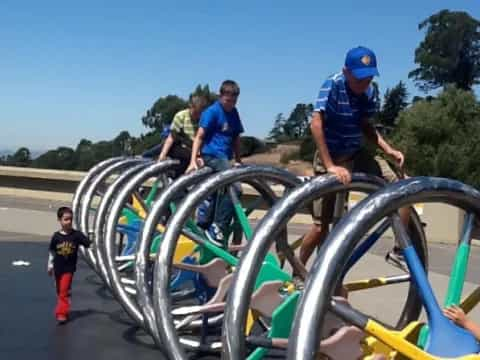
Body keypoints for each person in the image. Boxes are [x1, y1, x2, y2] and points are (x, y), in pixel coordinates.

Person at [299, 46, 409, 272]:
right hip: (330, 156)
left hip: (356, 154)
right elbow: (316, 124)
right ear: (346, 71)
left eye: (368, 78)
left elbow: (366, 127)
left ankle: (399, 251)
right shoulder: (333, 84)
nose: (364, 84)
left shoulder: (369, 92)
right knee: (322, 227)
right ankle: (297, 270)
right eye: (359, 78)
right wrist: (330, 165)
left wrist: (388, 149)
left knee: (403, 186)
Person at [186, 80, 244, 246]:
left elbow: (236, 138)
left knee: (218, 191)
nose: (231, 104)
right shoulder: (212, 112)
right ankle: (218, 226)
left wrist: (239, 159)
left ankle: (205, 224)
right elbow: (199, 136)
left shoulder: (234, 113)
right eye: (228, 101)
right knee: (236, 187)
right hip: (211, 155)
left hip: (224, 158)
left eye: (234, 101)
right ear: (221, 97)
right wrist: (193, 159)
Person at [47, 207, 91, 324]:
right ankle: (65, 297)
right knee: (59, 290)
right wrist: (50, 265)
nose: (69, 222)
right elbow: (52, 251)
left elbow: (87, 243)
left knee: (63, 291)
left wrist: (93, 239)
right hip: (58, 268)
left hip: (69, 269)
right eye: (66, 219)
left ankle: (61, 313)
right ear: (59, 220)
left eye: (71, 219)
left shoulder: (76, 235)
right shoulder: (56, 236)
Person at [158, 95, 208, 177]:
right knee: (181, 152)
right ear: (190, 107)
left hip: (194, 148)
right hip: (181, 147)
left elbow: (203, 140)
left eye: (200, 114)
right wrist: (162, 155)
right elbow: (171, 138)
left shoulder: (204, 119)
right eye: (195, 113)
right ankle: (174, 174)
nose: (197, 116)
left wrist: (200, 156)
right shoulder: (181, 116)